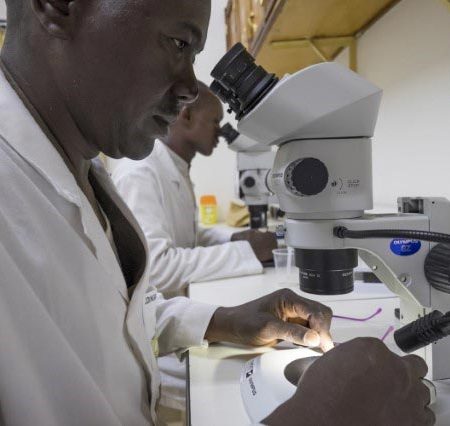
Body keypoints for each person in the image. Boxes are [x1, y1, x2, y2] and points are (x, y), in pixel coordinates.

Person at [0, 1, 433, 426]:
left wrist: (224, 320)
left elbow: (106, 320)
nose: (192, 88)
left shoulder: (78, 168)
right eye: (179, 43)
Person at [113, 81, 277, 414]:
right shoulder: (141, 172)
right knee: (244, 378)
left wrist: (235, 239)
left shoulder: (173, 165)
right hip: (159, 341)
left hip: (179, 315)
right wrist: (246, 253)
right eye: (215, 121)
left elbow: (188, 235)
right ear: (186, 115)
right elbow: (158, 266)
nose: (220, 132)